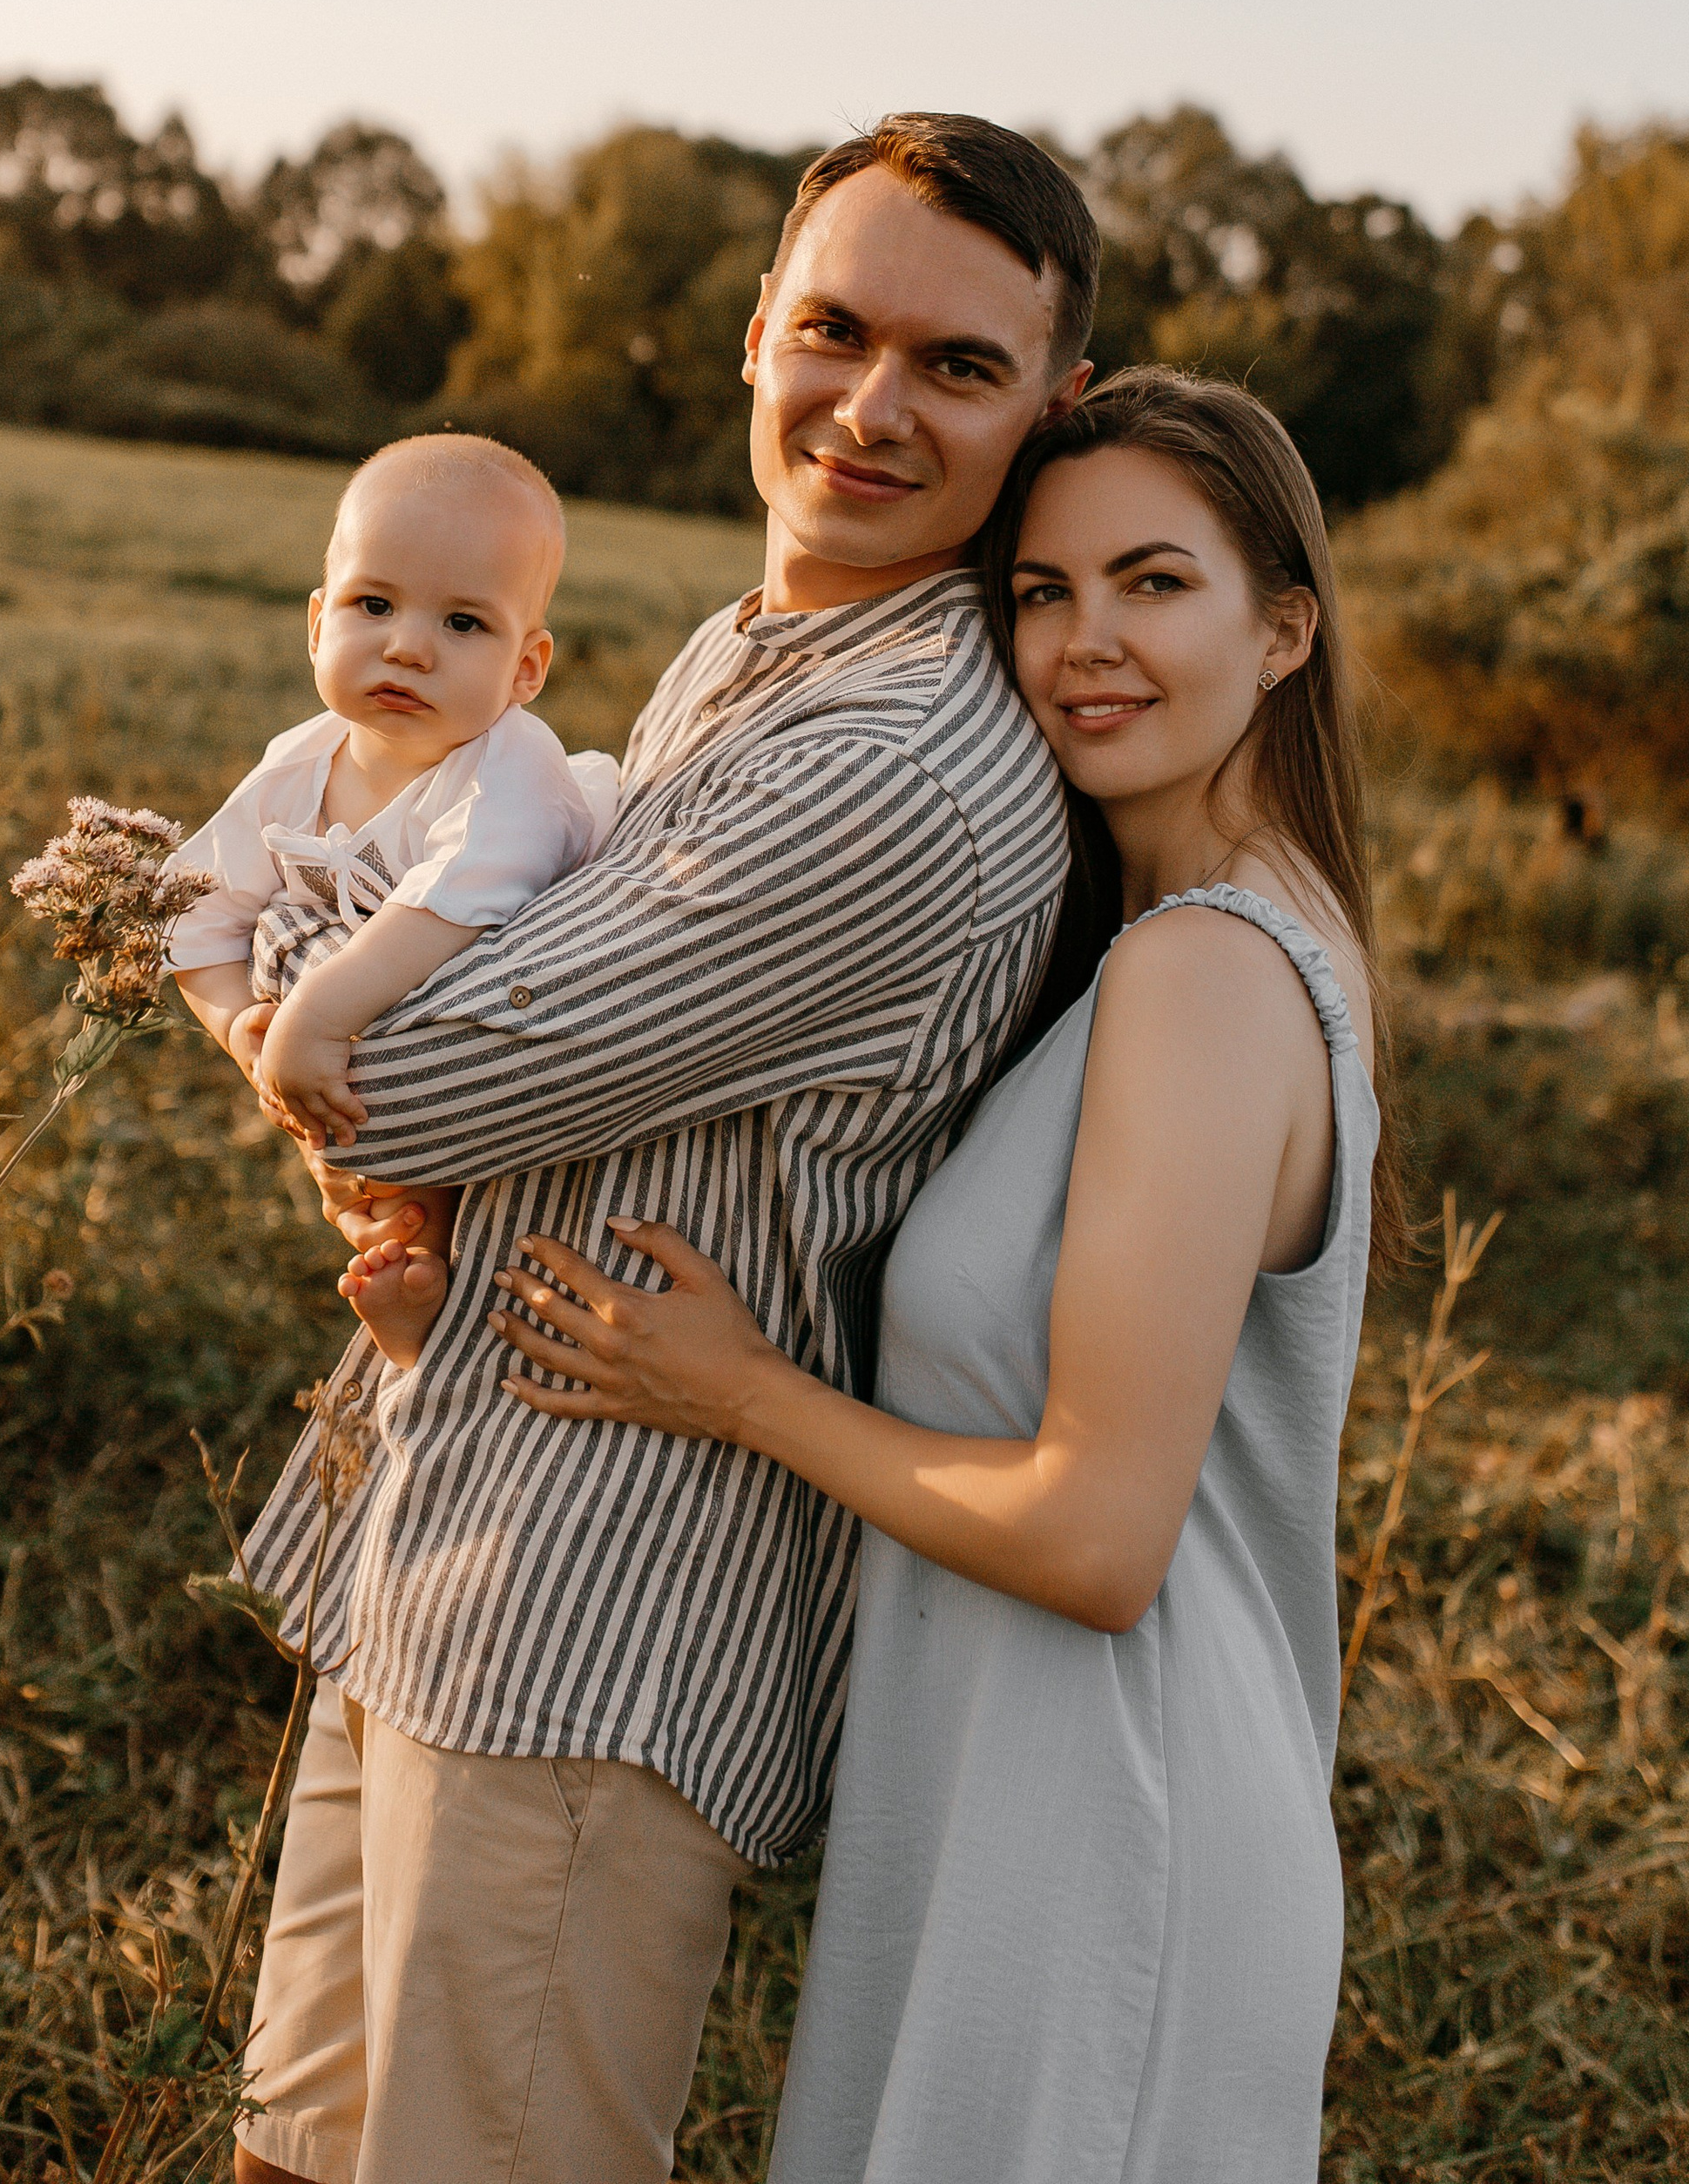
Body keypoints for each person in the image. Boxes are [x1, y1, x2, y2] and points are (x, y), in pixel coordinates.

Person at [229, 115, 1101, 2184]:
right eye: (834, 329)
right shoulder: (754, 649)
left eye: (956, 367)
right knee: (294, 2146)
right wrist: (336, 965)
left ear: (1046, 413)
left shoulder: (895, 757)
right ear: (752, 337)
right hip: (448, 1512)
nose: (870, 405)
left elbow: (408, 1076)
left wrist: (275, 941)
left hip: (599, 1613)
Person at [495, 368, 1410, 2183]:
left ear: (1282, 627)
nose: (1085, 643)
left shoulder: (1207, 974)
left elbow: (1092, 1536)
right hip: (1027, 1801)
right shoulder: (1191, 946)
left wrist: (737, 1388)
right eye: (1040, 592)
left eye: (1153, 583)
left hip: (1106, 1826)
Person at [165, 434, 618, 1362]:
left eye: (464, 624)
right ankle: (401, 1258)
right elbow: (196, 918)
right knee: (286, 945)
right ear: (317, 624)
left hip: (529, 1020)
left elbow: (452, 909)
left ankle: (431, 1258)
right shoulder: (296, 767)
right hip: (382, 1047)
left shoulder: (512, 768)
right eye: (374, 604)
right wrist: (240, 1023)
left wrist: (314, 1019)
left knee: (351, 975)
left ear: (527, 669)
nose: (408, 646)